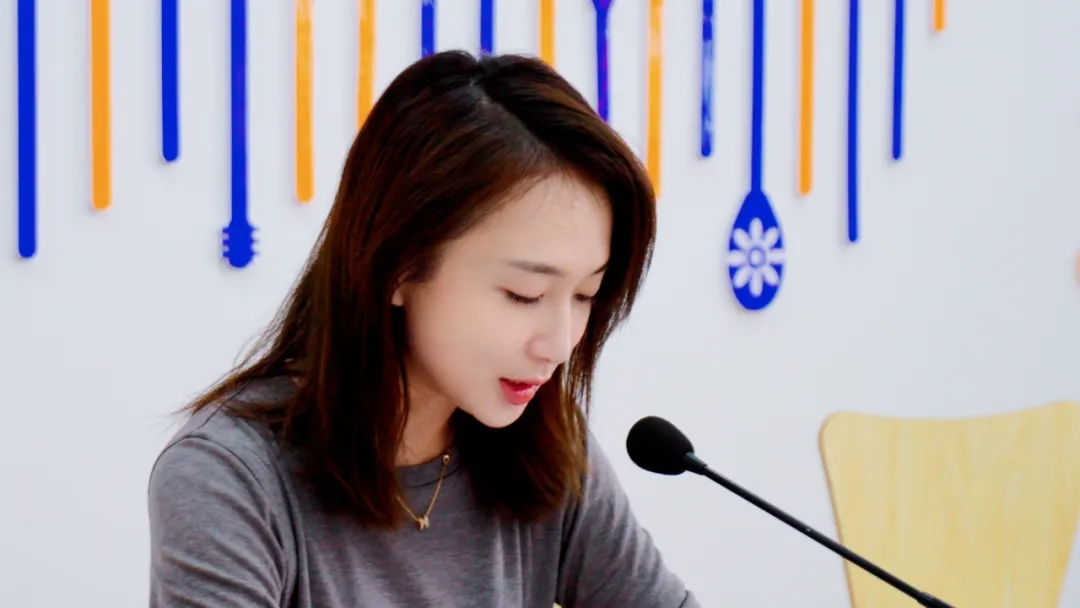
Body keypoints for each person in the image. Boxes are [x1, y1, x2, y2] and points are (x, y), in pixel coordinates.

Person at [147, 50, 698, 608]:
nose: (558, 345)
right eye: (524, 294)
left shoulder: (550, 450)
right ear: (399, 267)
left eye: (584, 295)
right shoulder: (230, 475)